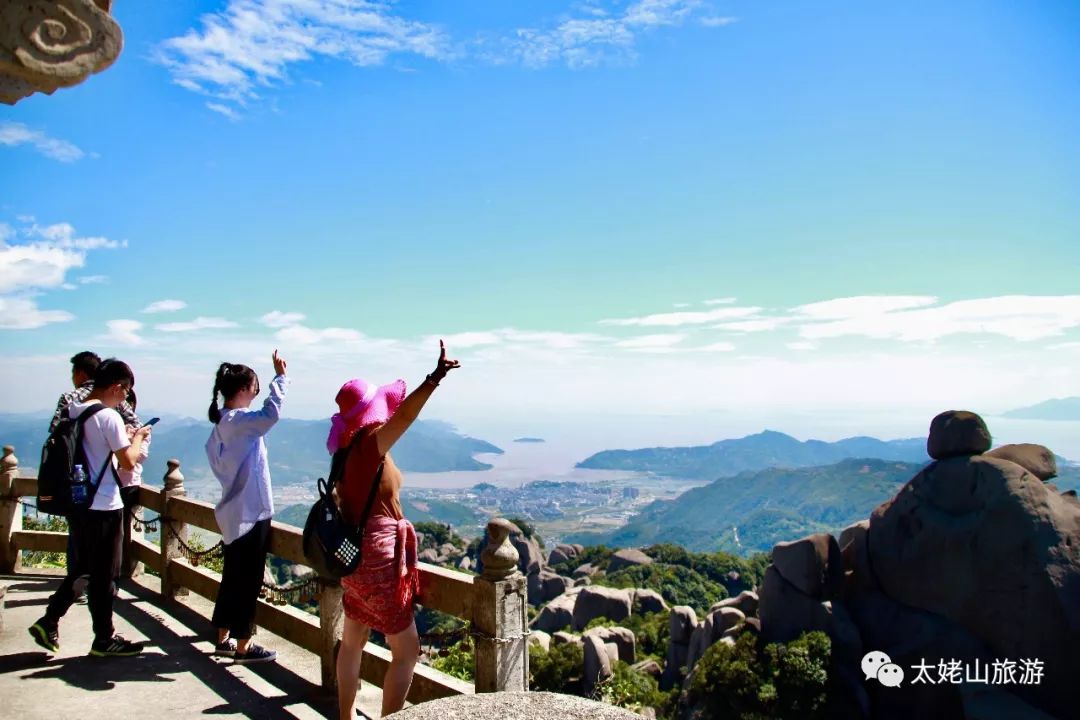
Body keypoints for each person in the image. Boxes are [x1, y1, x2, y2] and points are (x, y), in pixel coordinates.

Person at [334, 340, 460, 719]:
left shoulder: (343, 452)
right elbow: (405, 417)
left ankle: (345, 717)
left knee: (352, 640)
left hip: (352, 557)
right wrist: (434, 379)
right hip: (379, 559)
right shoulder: (370, 445)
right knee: (407, 651)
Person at [29, 359, 152, 657]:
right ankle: (104, 638)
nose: (126, 397)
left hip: (80, 502)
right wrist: (137, 436)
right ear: (116, 386)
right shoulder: (108, 417)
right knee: (106, 573)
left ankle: (50, 620)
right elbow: (127, 461)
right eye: (126, 391)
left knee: (84, 568)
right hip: (104, 504)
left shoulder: (75, 410)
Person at [205, 350, 289, 664]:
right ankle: (243, 647)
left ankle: (223, 639)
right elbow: (271, 414)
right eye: (254, 386)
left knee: (232, 578)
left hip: (231, 513)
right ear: (242, 389)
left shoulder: (221, 426)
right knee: (248, 581)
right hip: (252, 512)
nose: (256, 391)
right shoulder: (240, 422)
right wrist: (280, 379)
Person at [51, 351, 139, 433]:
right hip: (118, 447)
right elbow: (137, 427)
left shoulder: (69, 397)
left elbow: (56, 431)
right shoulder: (115, 396)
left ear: (80, 373)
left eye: (73, 373)